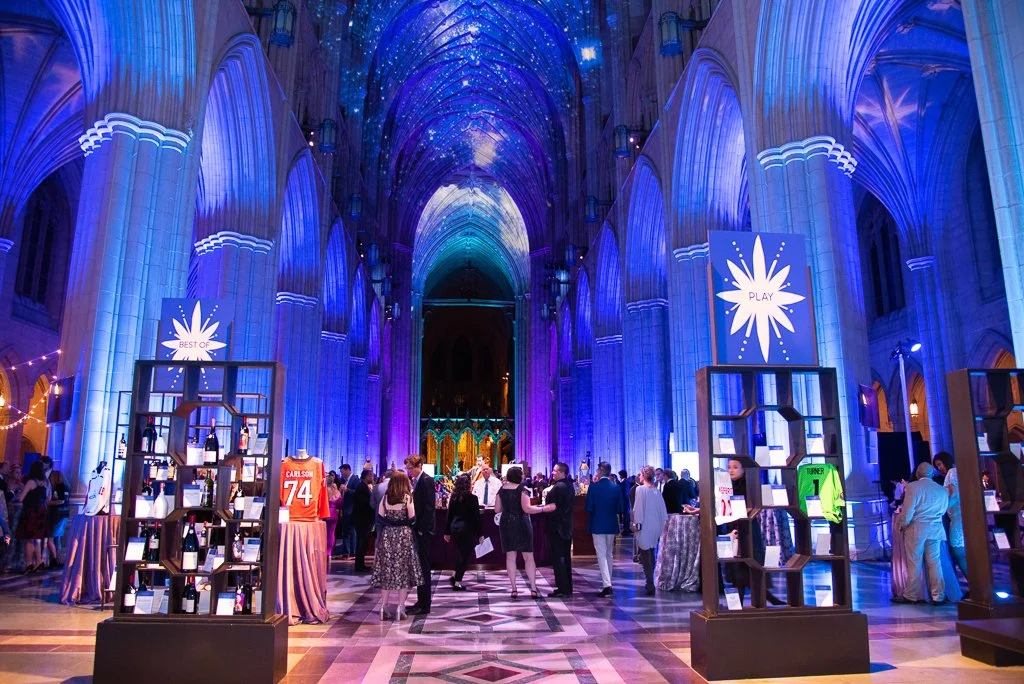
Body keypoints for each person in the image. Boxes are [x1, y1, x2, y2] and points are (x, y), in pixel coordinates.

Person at [893, 462, 949, 605]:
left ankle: (911, 595)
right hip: (935, 529)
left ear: (918, 473)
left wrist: (902, 525)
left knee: (914, 562)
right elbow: (943, 510)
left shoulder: (913, 487)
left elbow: (908, 511)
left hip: (916, 529)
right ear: (931, 474)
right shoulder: (942, 490)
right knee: (935, 563)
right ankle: (938, 596)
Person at [370, 472, 423, 620]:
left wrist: (391, 523)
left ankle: (384, 606)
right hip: (404, 537)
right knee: (403, 572)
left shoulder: (386, 498)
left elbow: (380, 517)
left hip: (387, 536)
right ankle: (401, 607)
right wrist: (403, 523)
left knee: (387, 571)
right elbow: (412, 519)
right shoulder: (407, 498)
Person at [494, 466, 547, 598]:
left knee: (510, 557)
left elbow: (497, 509)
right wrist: (543, 509)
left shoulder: (501, 490)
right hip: (521, 523)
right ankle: (533, 588)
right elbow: (527, 509)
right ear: (519, 476)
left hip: (506, 523)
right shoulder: (522, 490)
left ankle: (513, 589)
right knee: (528, 557)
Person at [586, 462, 623, 597]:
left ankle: (607, 585)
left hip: (597, 524)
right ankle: (609, 582)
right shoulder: (616, 488)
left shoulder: (594, 488)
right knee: (609, 554)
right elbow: (620, 509)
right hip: (612, 524)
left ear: (601, 471)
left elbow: (589, 508)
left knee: (601, 555)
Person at [405, 455, 436, 615]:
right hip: (418, 529)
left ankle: (425, 604)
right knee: (419, 567)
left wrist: (422, 529)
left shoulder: (426, 480)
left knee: (423, 567)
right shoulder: (417, 480)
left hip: (423, 531)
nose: (408, 471)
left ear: (419, 465)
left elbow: (429, 507)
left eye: (410, 467)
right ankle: (421, 600)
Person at [632, 466, 668, 595]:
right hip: (655, 526)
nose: (639, 477)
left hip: (645, 526)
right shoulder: (656, 491)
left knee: (645, 554)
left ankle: (649, 582)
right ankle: (650, 580)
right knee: (651, 552)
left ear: (643, 475)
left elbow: (638, 508)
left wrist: (637, 523)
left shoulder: (640, 490)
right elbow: (663, 511)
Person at [444, 474, 483, 591]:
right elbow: (476, 518)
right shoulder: (473, 499)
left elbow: (449, 515)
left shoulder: (453, 497)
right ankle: (457, 582)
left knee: (460, 553)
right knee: (464, 556)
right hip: (467, 530)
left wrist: (446, 532)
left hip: (455, 528)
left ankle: (455, 575)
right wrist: (480, 534)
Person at [933, 453, 966, 583]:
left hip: (958, 517)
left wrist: (940, 509)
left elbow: (955, 495)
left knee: (959, 553)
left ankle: (975, 586)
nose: (939, 468)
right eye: (937, 466)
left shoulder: (952, 472)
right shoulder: (959, 471)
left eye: (940, 464)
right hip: (961, 516)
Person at [545, 462, 575, 597]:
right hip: (566, 527)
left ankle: (563, 588)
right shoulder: (569, 486)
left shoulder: (559, 487)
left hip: (558, 528)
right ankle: (566, 587)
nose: (552, 473)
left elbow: (554, 507)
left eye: (555, 471)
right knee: (565, 558)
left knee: (559, 559)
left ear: (562, 472)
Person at [16, 460, 50, 573]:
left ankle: (29, 563)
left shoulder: (31, 482)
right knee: (37, 538)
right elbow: (47, 498)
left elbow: (21, 498)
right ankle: (39, 561)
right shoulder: (45, 483)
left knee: (29, 538)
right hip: (42, 511)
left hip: (31, 511)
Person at [42, 457, 69, 568]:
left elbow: (63, 496)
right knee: (51, 537)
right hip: (51, 510)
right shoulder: (41, 477)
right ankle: (51, 559)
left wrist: (50, 501)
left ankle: (55, 559)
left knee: (52, 536)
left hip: (58, 511)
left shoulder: (58, 479)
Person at [352, 469, 375, 572]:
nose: (372, 477)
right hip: (362, 520)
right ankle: (359, 565)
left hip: (364, 520)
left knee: (364, 543)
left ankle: (361, 564)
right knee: (362, 542)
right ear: (365, 476)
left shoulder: (364, 486)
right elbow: (364, 504)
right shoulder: (361, 487)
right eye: (370, 475)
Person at [338, 464, 357, 558]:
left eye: (342, 472)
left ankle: (353, 551)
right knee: (345, 531)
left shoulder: (355, 479)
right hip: (344, 509)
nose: (341, 474)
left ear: (347, 470)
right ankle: (346, 552)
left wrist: (347, 490)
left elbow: (357, 493)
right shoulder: (343, 481)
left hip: (352, 509)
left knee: (352, 531)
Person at [325, 474, 342, 559]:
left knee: (324, 534)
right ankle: (329, 553)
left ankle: (324, 551)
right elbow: (340, 503)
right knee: (331, 534)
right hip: (334, 514)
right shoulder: (336, 491)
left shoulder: (324, 491)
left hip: (326, 513)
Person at [618, 470, 632, 534]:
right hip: (625, 501)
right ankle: (626, 528)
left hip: (625, 501)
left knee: (626, 516)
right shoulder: (625, 481)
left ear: (621, 475)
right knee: (625, 516)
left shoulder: (625, 482)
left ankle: (626, 529)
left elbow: (624, 492)